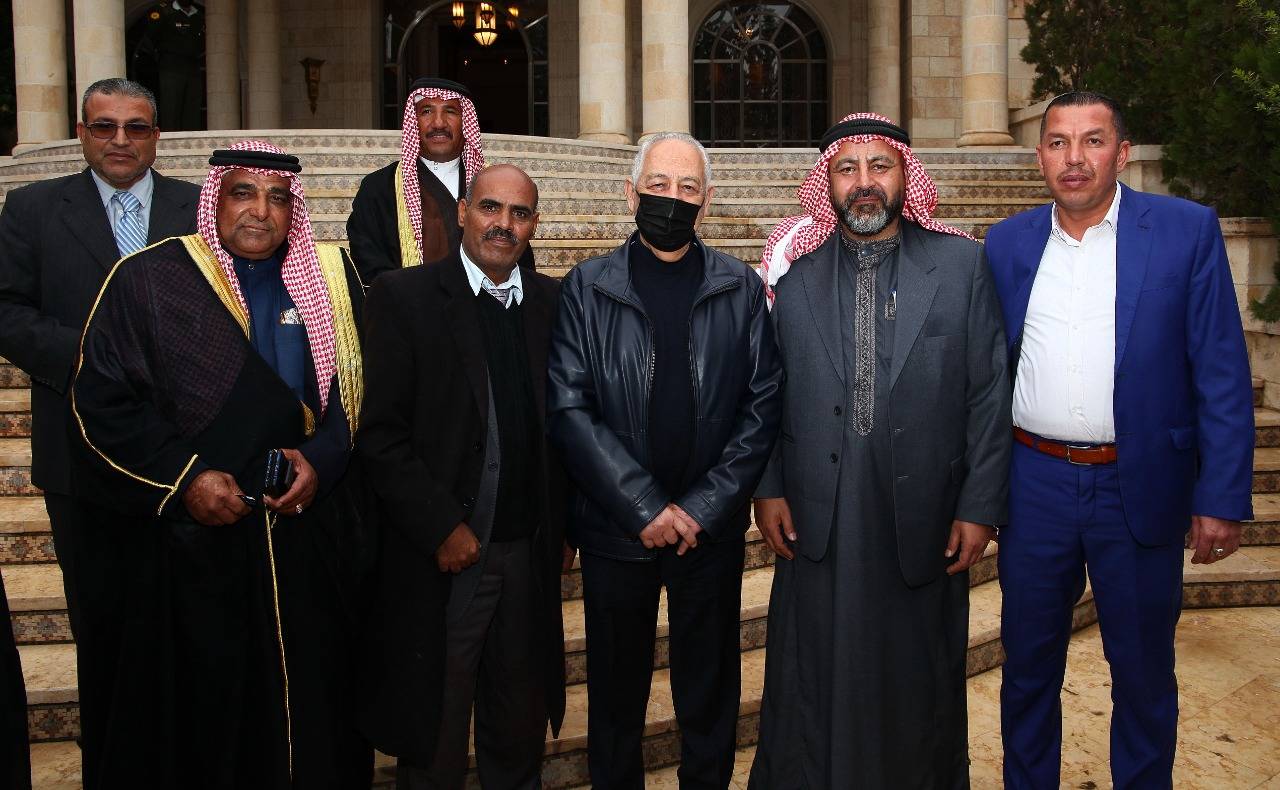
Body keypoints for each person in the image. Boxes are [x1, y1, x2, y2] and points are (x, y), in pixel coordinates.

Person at [69, 141, 371, 788]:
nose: (261, 211)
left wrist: (321, 461)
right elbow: (103, 400)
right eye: (243, 193)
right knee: (208, 713)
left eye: (278, 198)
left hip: (309, 540)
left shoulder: (333, 277)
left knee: (316, 709)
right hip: (195, 546)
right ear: (215, 200)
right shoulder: (153, 278)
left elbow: (362, 395)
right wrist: (187, 479)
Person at [985, 91, 1255, 789]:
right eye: (1058, 143)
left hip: (1139, 484)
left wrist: (1221, 494)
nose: (1074, 158)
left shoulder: (1184, 231)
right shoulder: (1006, 244)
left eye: (1093, 141)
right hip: (1034, 485)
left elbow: (1221, 369)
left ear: (1123, 153)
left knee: (1142, 673)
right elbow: (985, 374)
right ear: (1039, 157)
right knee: (1027, 668)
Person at [748, 113, 1010, 789]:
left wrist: (979, 506)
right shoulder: (796, 278)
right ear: (828, 183)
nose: (864, 182)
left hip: (924, 518)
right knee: (814, 674)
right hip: (820, 517)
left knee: (917, 675)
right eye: (847, 168)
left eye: (879, 166)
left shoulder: (961, 266)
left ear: (904, 176)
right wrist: (768, 487)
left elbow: (989, 392)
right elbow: (766, 393)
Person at [547, 131, 783, 790]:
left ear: (706, 201)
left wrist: (702, 508)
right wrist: (644, 507)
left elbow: (762, 407)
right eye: (658, 185)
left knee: (709, 693)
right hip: (615, 531)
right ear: (631, 194)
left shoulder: (740, 288)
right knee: (615, 697)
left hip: (707, 536)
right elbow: (569, 408)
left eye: (687, 188)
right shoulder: (587, 287)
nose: (671, 200)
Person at [0, 77, 197, 782]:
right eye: (104, 126)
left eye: (136, 127)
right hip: (79, 462)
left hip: (182, 462)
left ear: (156, 136)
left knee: (185, 627)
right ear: (82, 132)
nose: (120, 140)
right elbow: (9, 311)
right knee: (103, 628)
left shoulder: (197, 208)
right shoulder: (32, 209)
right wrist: (95, 359)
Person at [357, 163, 567, 789]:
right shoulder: (405, 297)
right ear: (461, 213)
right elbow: (381, 436)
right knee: (437, 737)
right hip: (445, 562)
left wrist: (563, 528)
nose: (503, 224)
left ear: (534, 225)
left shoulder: (553, 304)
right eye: (490, 208)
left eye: (519, 213)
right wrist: (441, 526)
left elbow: (565, 426)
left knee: (518, 730)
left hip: (526, 559)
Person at [347, 77, 532, 282]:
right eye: (426, 111)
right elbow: (369, 262)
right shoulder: (378, 188)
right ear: (414, 122)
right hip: (408, 300)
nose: (438, 123)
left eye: (450, 111)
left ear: (465, 121)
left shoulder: (495, 185)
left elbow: (516, 251)